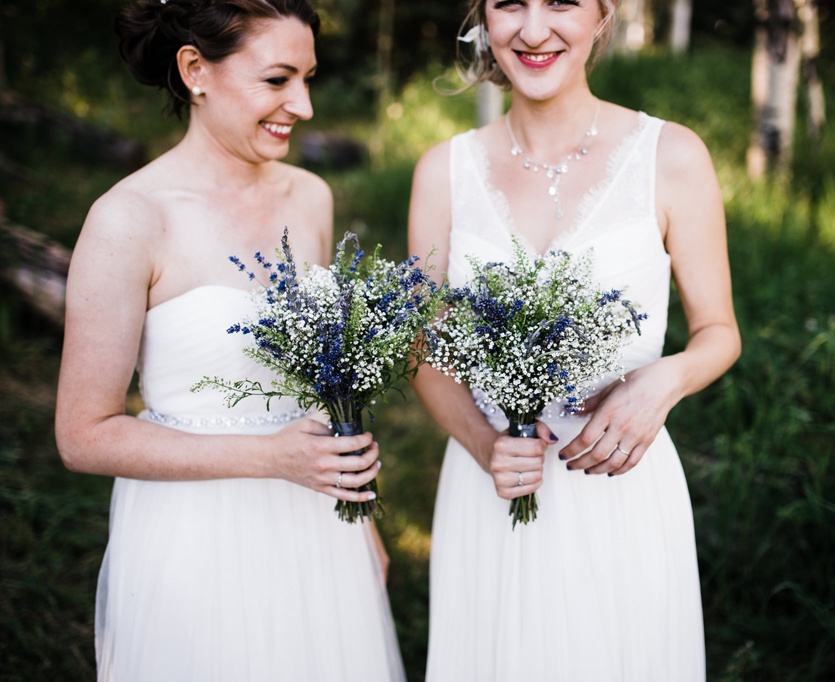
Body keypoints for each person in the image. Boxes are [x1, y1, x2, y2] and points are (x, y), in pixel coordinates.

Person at [54, 1, 405, 679]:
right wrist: (271, 458)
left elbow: (324, 380)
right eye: (277, 81)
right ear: (195, 71)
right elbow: (83, 434)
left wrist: (365, 522)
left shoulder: (310, 197)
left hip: (315, 526)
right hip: (193, 543)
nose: (301, 105)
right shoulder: (130, 220)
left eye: (307, 78)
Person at [408, 1, 741, 679]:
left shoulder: (671, 155)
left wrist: (666, 380)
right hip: (491, 493)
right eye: (509, 5)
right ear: (483, 19)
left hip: (620, 490)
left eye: (561, 2)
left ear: (603, 15)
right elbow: (424, 352)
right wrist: (485, 447)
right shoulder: (442, 171)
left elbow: (719, 333)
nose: (533, 31)